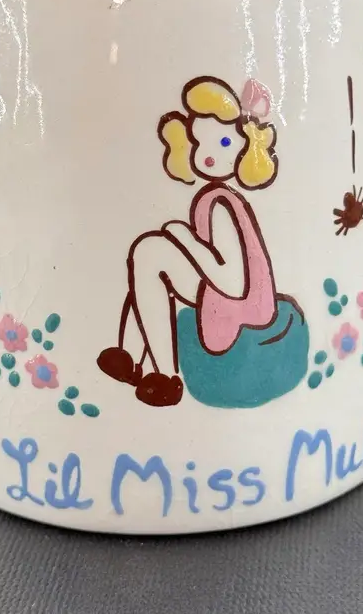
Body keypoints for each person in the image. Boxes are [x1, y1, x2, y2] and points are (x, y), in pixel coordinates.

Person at [97, 76, 300, 407]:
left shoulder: (221, 202)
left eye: (223, 142)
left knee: (151, 254)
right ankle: (135, 361)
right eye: (199, 142)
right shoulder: (210, 196)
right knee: (149, 254)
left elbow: (232, 282)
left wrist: (185, 239)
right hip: (219, 288)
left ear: (245, 145)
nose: (208, 156)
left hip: (244, 300)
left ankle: (164, 376)